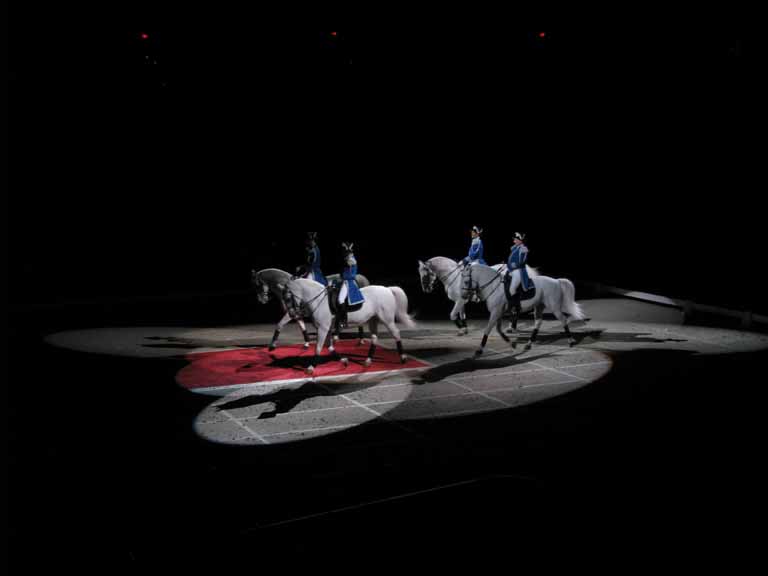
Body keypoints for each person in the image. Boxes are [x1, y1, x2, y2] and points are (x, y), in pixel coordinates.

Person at [336, 242, 365, 330]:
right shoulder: (349, 258)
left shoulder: (351, 260)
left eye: (345, 252)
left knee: (340, 300)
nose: (344, 254)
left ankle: (343, 320)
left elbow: (347, 264)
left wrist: (347, 251)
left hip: (348, 282)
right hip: (345, 280)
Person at [504, 232, 532, 318]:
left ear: (520, 240)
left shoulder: (523, 248)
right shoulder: (515, 248)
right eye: (514, 239)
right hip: (512, 270)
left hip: (519, 271)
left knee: (512, 289)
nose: (514, 240)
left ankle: (516, 307)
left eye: (516, 239)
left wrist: (514, 265)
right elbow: (511, 259)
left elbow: (523, 261)